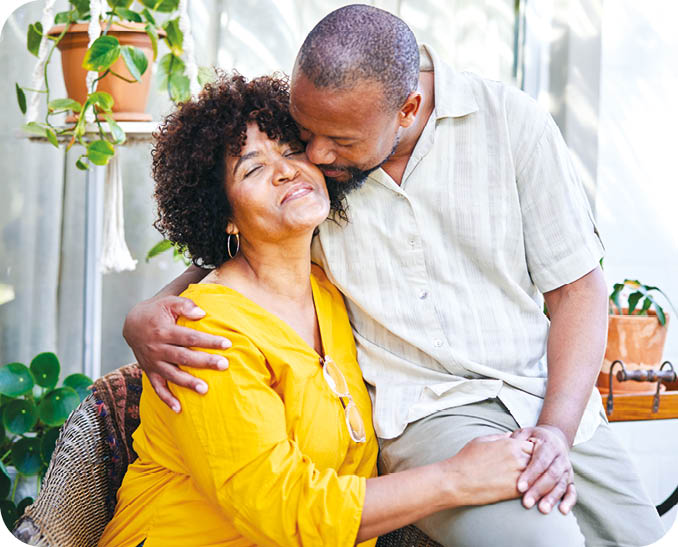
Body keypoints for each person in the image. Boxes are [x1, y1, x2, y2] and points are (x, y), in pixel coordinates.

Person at [122, 5, 665, 546]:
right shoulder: (318, 180)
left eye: (323, 142)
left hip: (538, 390)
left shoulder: (508, 123)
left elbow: (576, 287)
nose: (312, 155)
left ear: (406, 110)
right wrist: (145, 314)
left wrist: (556, 430)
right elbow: (233, 249)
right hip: (431, 414)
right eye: (303, 132)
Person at [99, 73, 534, 547]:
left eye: (290, 150)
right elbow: (286, 510)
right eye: (252, 169)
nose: (285, 171)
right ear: (222, 214)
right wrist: (458, 478)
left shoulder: (333, 291)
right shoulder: (205, 334)